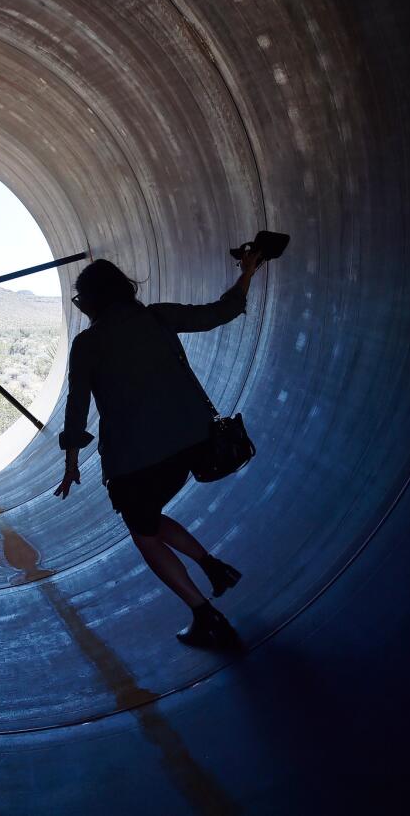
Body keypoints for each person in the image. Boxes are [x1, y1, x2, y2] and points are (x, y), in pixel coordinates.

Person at [54, 250, 264, 648]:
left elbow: (77, 408)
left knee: (143, 533)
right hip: (190, 446)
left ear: (90, 301)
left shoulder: (87, 344)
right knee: (149, 517)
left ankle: (206, 616)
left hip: (133, 461)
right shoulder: (157, 316)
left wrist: (70, 463)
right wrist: (248, 271)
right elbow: (223, 310)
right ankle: (213, 568)